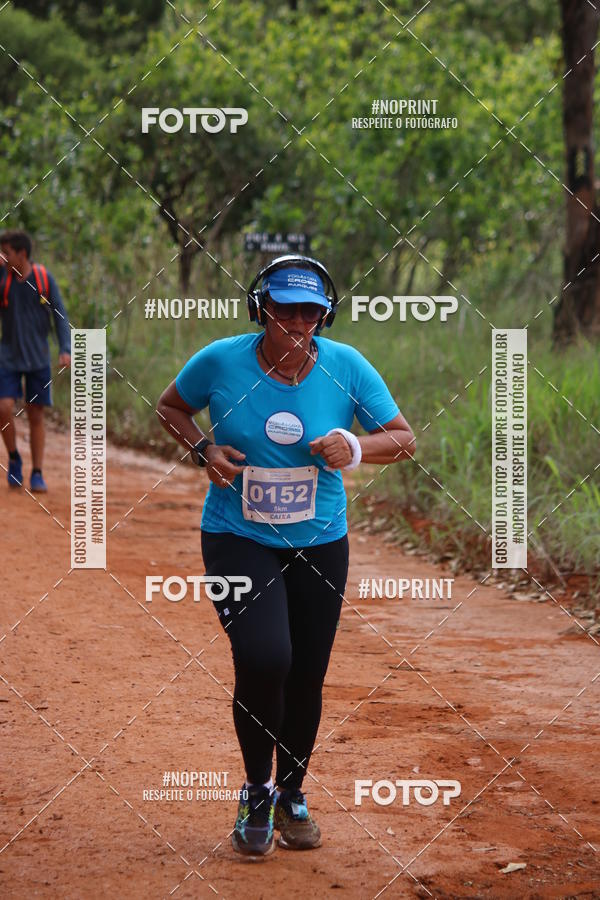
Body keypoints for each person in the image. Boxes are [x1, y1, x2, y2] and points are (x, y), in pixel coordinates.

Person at [156, 255, 415, 858]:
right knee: (265, 657)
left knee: (306, 672)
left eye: (309, 312)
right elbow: (170, 407)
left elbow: (403, 438)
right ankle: (256, 789)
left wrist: (354, 445)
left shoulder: (347, 366)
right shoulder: (221, 360)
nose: (297, 322)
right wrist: (205, 450)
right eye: (284, 310)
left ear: (325, 316)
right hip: (237, 536)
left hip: (321, 541)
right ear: (261, 308)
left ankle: (292, 795)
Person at [0, 230, 71, 492]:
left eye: (7, 253)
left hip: (38, 358)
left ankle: (37, 472)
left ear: (22, 254)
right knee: (3, 407)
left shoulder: (43, 278)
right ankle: (14, 457)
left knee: (36, 414)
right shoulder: (3, 279)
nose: (3, 258)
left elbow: (60, 314)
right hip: (8, 356)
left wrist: (65, 348)